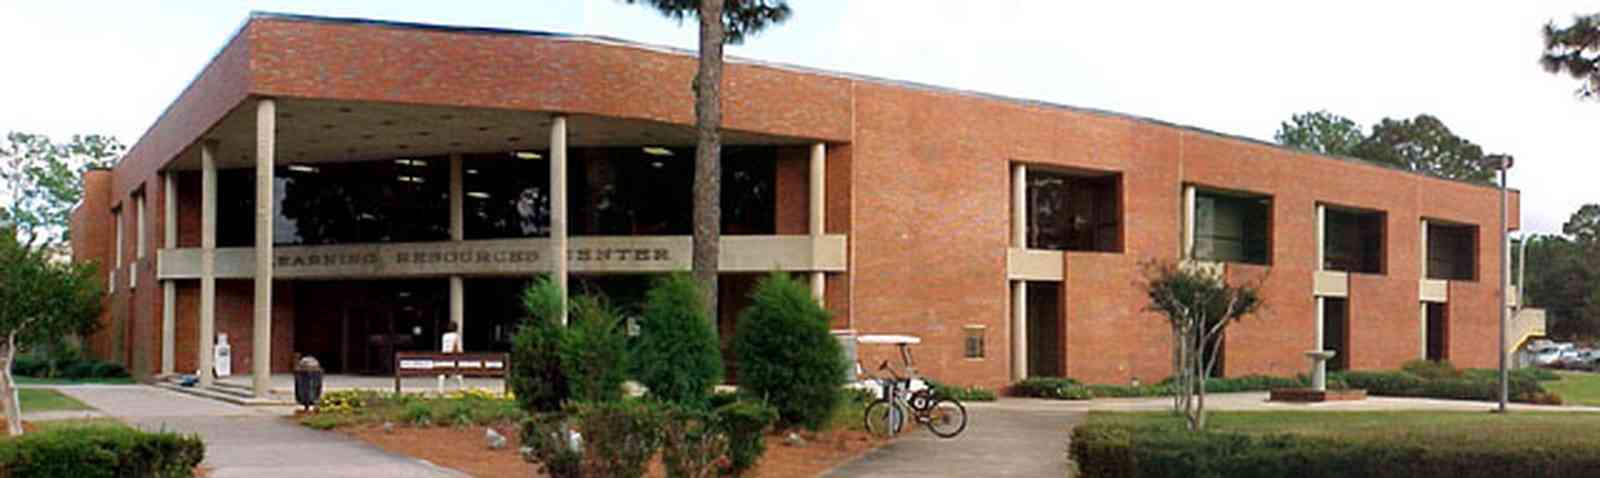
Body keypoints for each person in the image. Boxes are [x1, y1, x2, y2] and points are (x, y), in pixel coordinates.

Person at [437, 321, 464, 393]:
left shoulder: (444, 336)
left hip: (444, 356)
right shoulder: (456, 336)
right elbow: (456, 347)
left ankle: (440, 390)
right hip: (452, 357)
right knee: (458, 373)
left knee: (442, 374)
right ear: (456, 328)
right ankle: (461, 389)